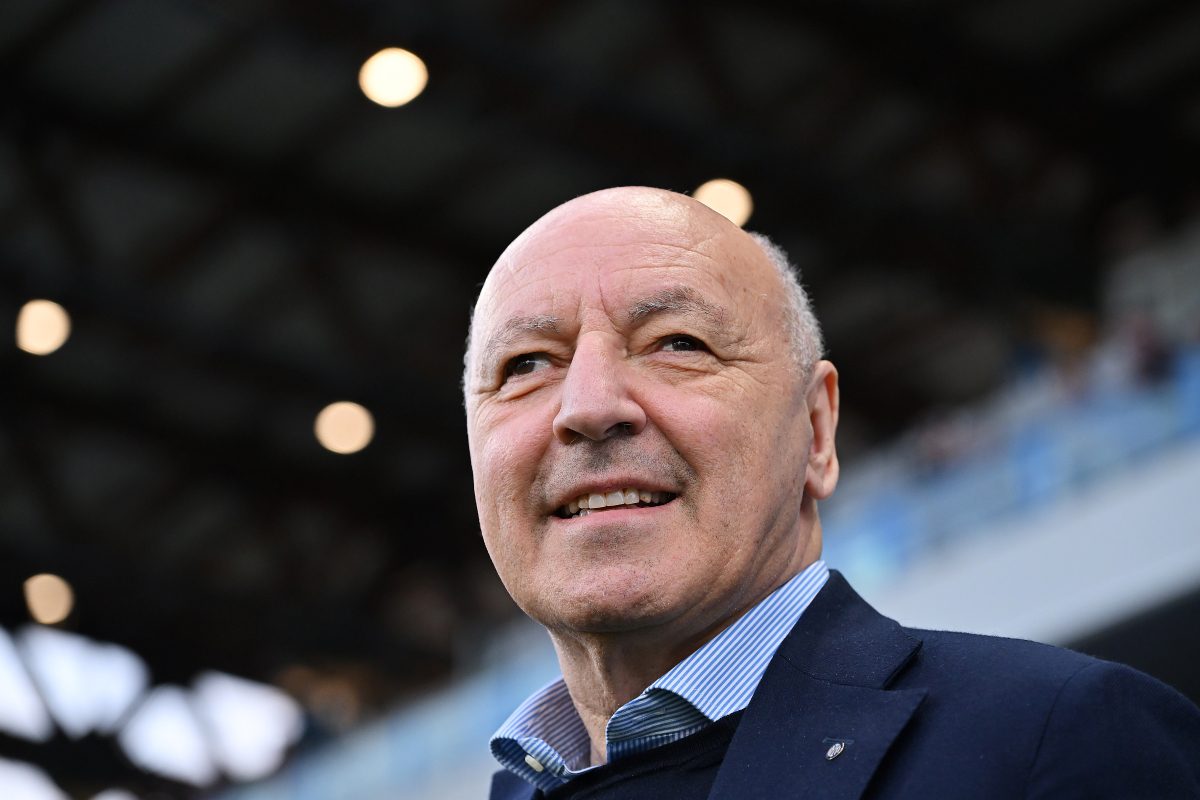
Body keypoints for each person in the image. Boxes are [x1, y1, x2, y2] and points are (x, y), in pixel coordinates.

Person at [462, 187, 1200, 799]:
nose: (588, 406)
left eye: (677, 343)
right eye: (526, 364)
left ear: (816, 431)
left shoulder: (1059, 740)